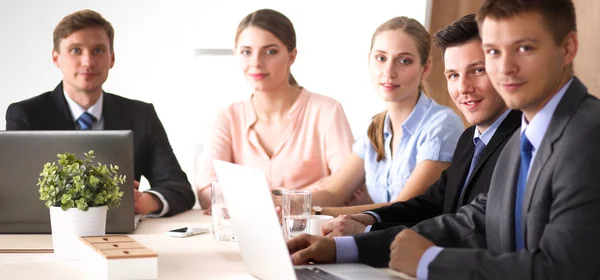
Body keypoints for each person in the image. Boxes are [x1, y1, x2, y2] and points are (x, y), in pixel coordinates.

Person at [289, 0, 600, 279]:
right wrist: (345, 248)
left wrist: (430, 262)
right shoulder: (525, 136)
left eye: (524, 48)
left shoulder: (588, 134)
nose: (504, 67)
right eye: (493, 51)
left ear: (567, 47)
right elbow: (469, 223)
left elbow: (563, 269)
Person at [320, 14, 521, 237]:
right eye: (453, 75)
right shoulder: (470, 139)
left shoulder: (524, 140)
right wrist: (368, 218)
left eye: (477, 70)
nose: (463, 87)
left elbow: (470, 228)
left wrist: (366, 231)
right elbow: (430, 205)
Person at [5, 9, 195, 217]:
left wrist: (144, 202)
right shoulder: (26, 114)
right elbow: (15, 193)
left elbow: (179, 188)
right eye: (76, 50)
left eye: (98, 50)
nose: (88, 62)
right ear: (56, 58)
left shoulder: (141, 115)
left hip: (122, 236)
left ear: (111, 58)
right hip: (49, 234)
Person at [196, 9, 356, 211]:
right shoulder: (228, 117)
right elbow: (206, 189)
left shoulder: (326, 111)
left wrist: (269, 200)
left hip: (311, 233)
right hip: (244, 233)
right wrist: (285, 198)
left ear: (291, 57)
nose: (256, 62)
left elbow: (346, 187)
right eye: (246, 52)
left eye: (270, 51)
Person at [308, 16, 464, 215]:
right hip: (378, 239)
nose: (389, 72)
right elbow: (333, 192)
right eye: (381, 58)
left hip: (415, 242)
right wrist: (280, 203)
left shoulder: (442, 125)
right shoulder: (375, 128)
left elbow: (402, 208)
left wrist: (316, 213)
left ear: (425, 69)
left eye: (404, 61)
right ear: (369, 60)